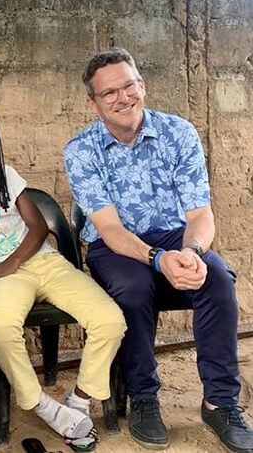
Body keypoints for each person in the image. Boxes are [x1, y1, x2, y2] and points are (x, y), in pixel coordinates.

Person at [64, 47, 253, 452]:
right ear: (92, 102)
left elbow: (201, 214)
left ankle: (220, 402)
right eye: (109, 92)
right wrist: (156, 259)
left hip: (175, 236)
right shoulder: (81, 150)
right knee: (134, 290)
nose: (123, 97)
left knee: (216, 279)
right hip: (114, 247)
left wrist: (194, 253)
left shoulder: (178, 132)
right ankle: (144, 397)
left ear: (142, 85)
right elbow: (109, 228)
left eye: (129, 85)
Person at [0, 117, 126, 452]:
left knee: (110, 320)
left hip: (44, 263)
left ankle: (77, 402)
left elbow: (37, 228)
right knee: (0, 330)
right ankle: (41, 405)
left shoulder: (7, 176)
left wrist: (12, 262)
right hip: (5, 278)